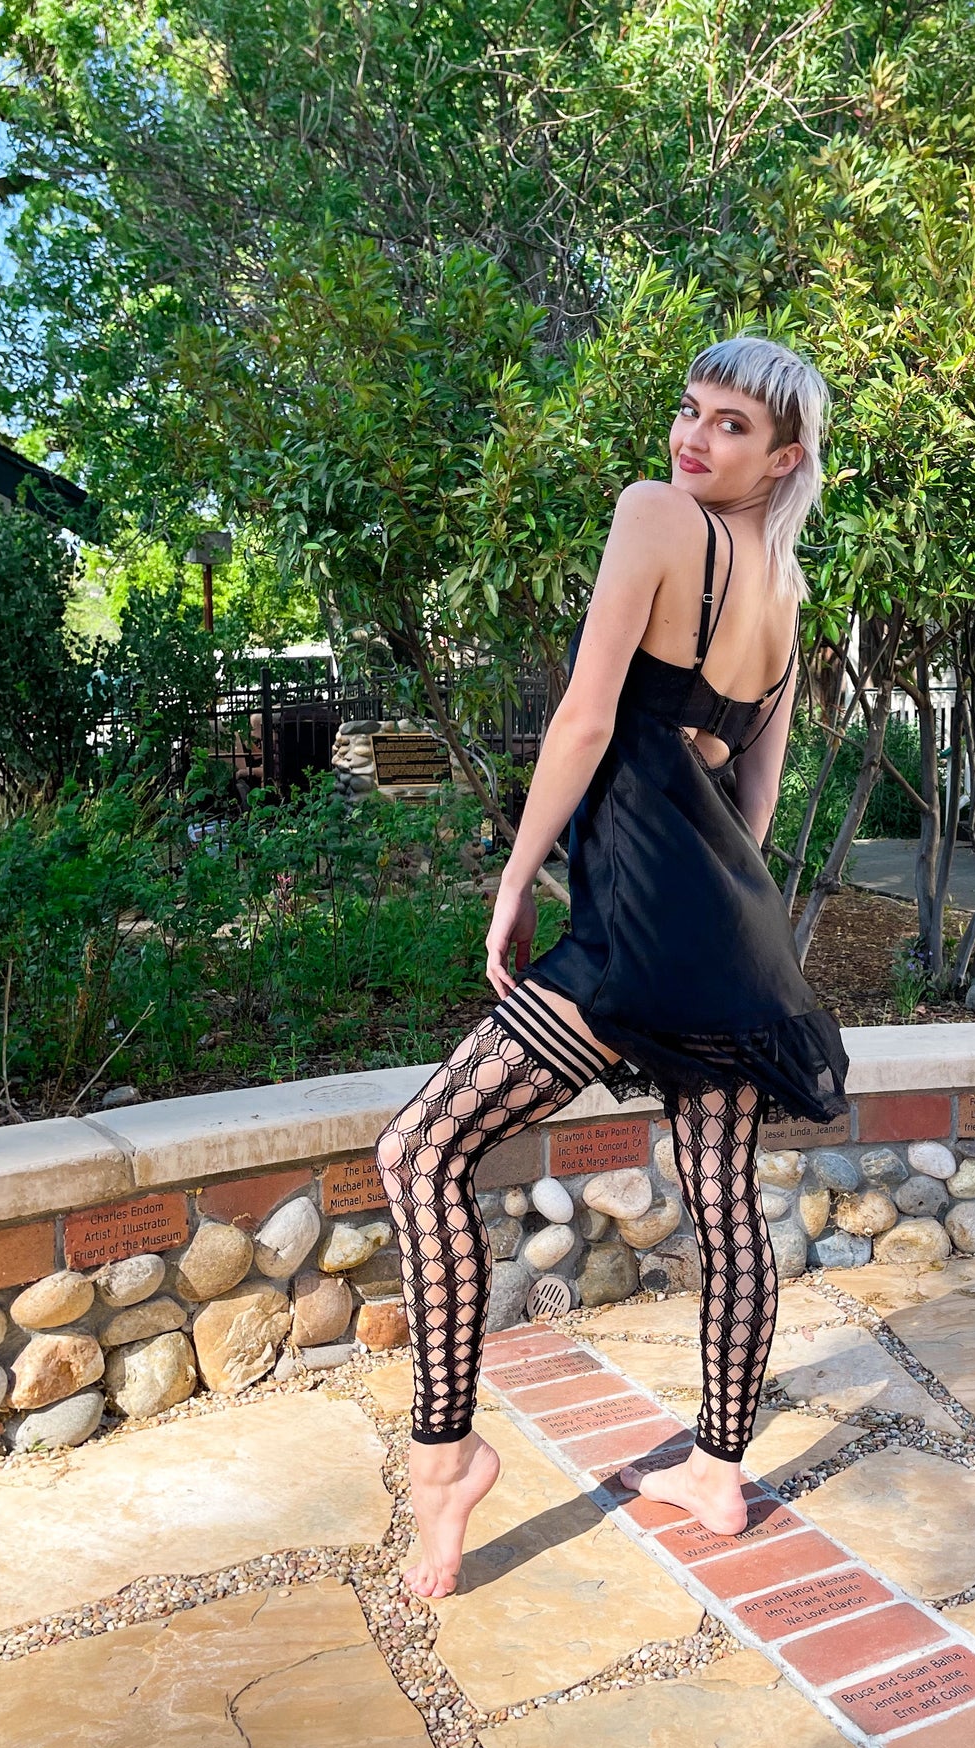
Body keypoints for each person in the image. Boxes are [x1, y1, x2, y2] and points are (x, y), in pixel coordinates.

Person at [375, 335, 849, 1599]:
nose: (694, 438)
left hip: (635, 931)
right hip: (732, 938)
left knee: (420, 1153)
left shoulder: (654, 517)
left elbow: (587, 717)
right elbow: (754, 804)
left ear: (784, 457)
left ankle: (446, 1458)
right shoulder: (786, 592)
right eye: (691, 410)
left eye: (733, 425)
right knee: (722, 1201)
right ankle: (718, 1470)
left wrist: (518, 875)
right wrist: (711, 927)